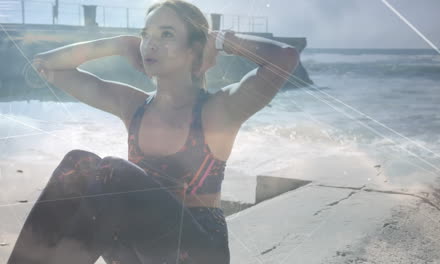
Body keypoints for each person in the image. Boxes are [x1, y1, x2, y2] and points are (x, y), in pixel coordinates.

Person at [8, 0, 299, 263]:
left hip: (197, 252)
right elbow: (46, 66)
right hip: (136, 252)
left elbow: (284, 57)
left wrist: (220, 40)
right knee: (78, 162)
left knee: (114, 171)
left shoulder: (218, 110)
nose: (150, 43)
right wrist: (118, 44)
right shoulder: (133, 105)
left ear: (193, 49)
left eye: (167, 34)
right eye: (146, 35)